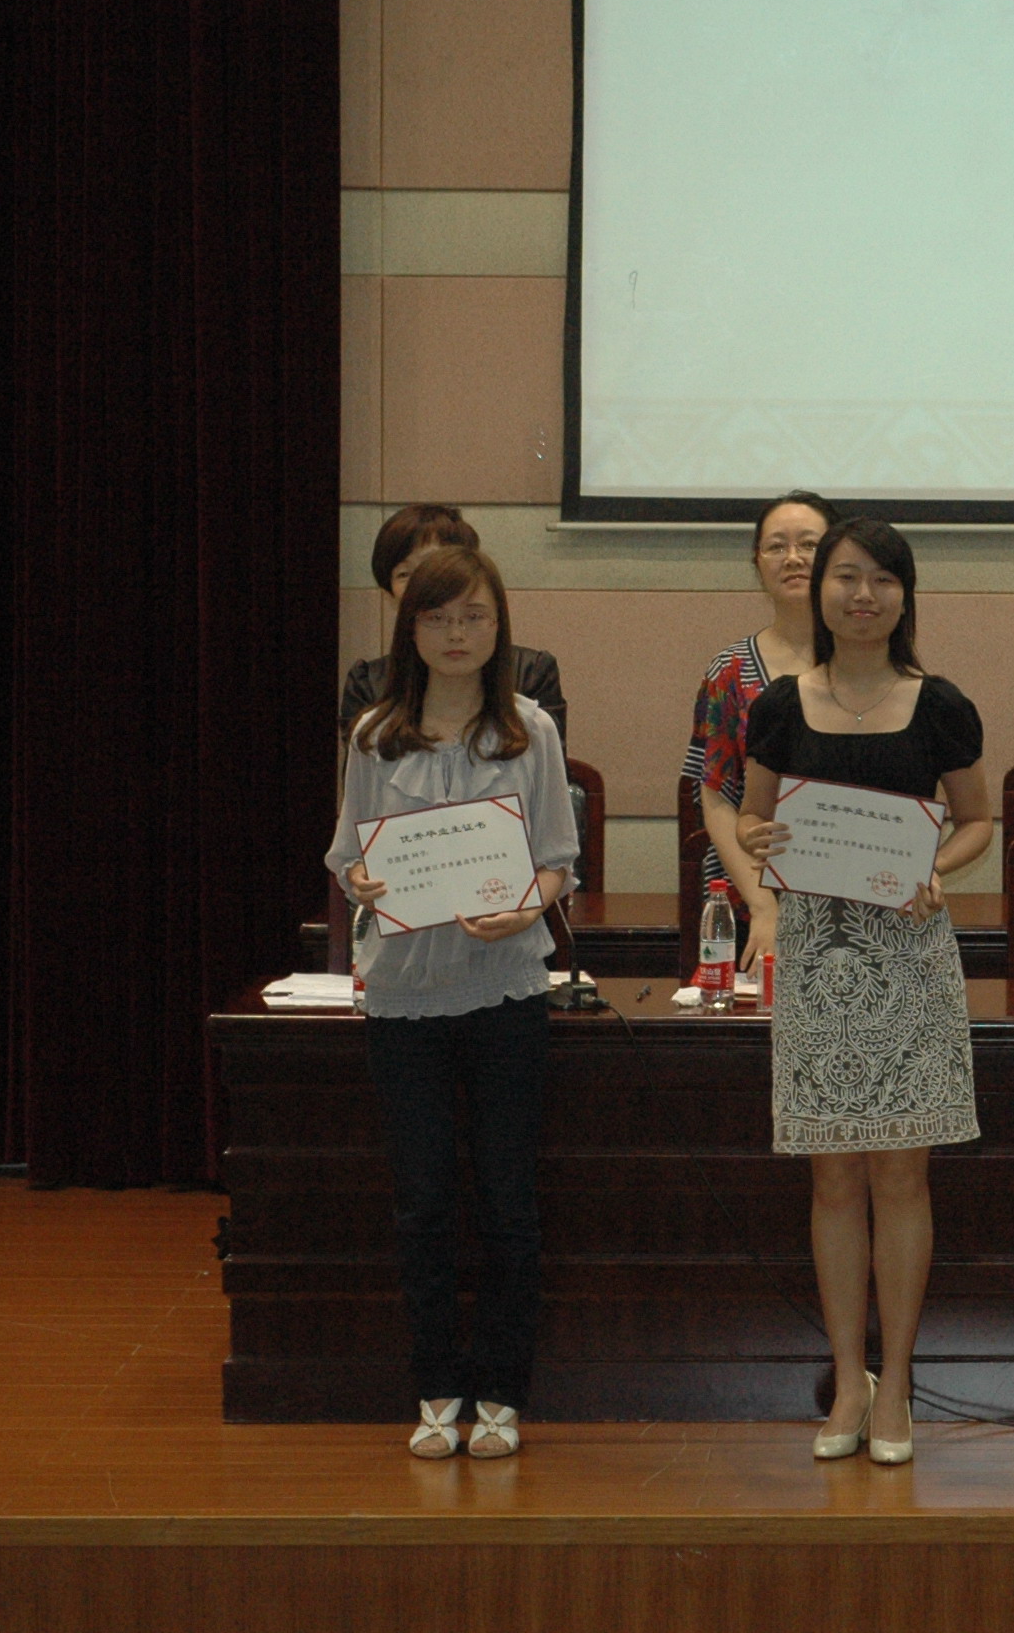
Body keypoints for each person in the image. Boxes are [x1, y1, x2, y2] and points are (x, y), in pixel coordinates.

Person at [735, 517, 993, 1468]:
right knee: (833, 1176)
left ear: (904, 595)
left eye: (883, 579)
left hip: (907, 955)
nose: (862, 595)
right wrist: (758, 842)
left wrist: (936, 868)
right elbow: (755, 820)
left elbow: (977, 822)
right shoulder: (779, 705)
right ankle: (850, 1379)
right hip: (816, 956)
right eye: (846, 576)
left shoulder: (940, 704)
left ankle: (901, 1382)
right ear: (820, 590)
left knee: (901, 1175)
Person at [328, 546, 578, 1461]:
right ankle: (437, 1386)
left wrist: (527, 905)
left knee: (508, 1200)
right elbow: (348, 858)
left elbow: (557, 861)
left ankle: (503, 1391)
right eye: (438, 618)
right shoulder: (374, 734)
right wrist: (362, 880)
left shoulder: (530, 731)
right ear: (411, 629)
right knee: (424, 1202)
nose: (457, 634)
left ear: (499, 626)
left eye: (474, 617)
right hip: (402, 993)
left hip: (504, 986)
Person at [683, 491, 839, 980]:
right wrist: (764, 906)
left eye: (809, 545)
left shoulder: (871, 666)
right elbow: (715, 799)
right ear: (757, 562)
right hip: (750, 899)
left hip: (852, 893)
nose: (793, 558)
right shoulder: (730, 671)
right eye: (776, 546)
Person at [342, 504, 568, 743]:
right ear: (388, 590)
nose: (422, 584)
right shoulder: (368, 683)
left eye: (435, 568)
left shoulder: (531, 673)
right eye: (405, 574)